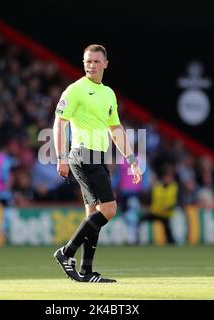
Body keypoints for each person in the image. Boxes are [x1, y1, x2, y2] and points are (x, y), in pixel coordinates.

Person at [52, 44, 142, 283]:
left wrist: (131, 160)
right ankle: (66, 252)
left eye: (95, 61)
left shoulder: (108, 93)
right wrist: (61, 157)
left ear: (105, 64)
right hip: (83, 154)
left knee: (93, 214)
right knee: (109, 209)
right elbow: (59, 123)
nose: (90, 65)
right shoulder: (75, 90)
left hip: (99, 156)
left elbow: (115, 129)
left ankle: (87, 272)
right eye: (87, 61)